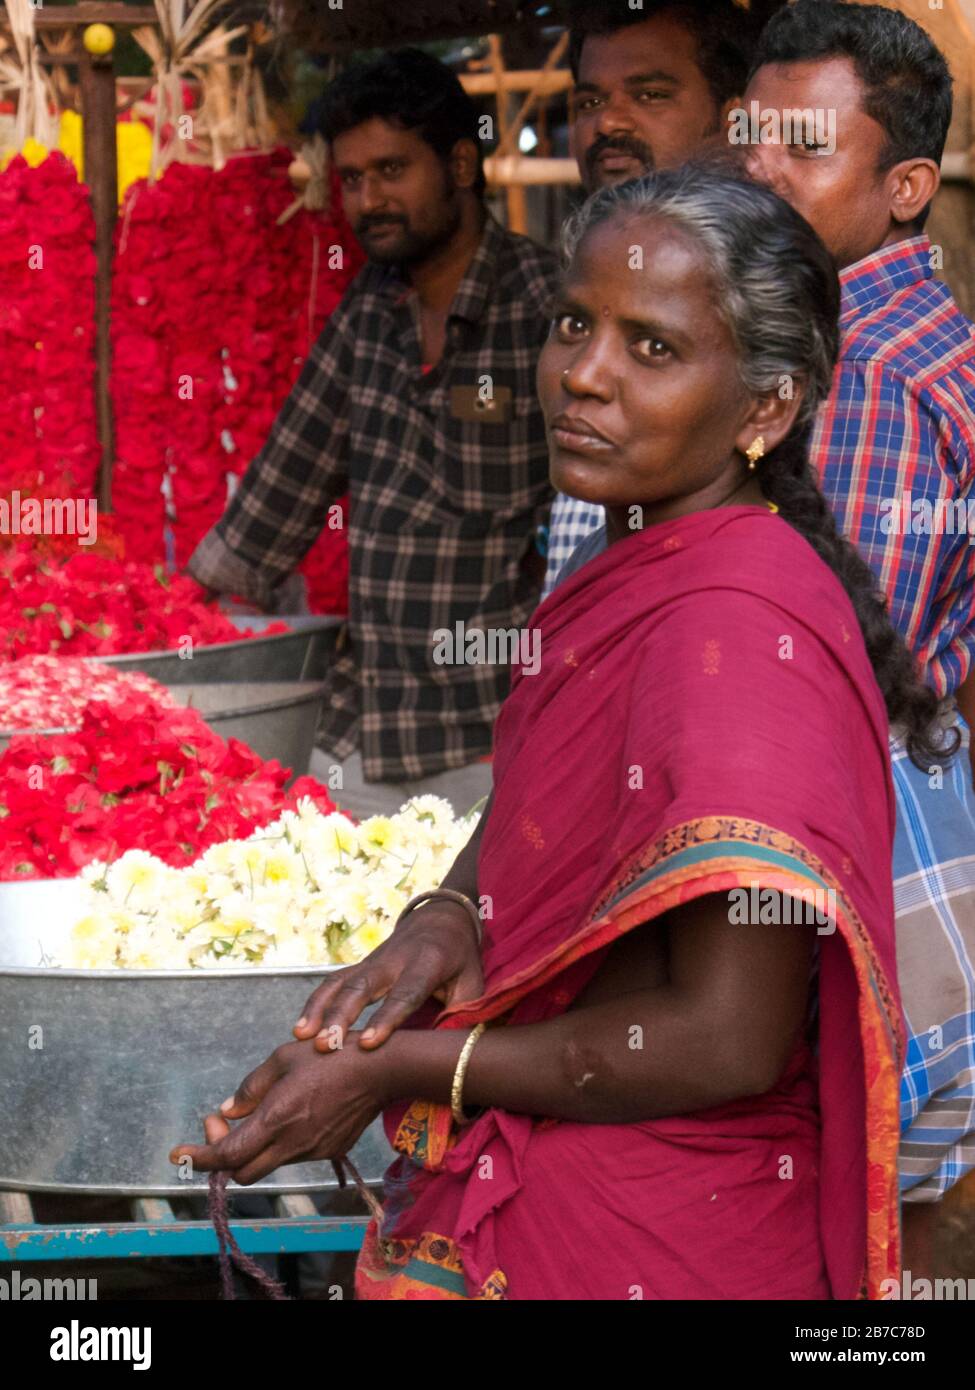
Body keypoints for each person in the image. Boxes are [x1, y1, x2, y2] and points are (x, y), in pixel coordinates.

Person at [172, 169, 952, 1300]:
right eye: (576, 325)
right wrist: (446, 910)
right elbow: (555, 786)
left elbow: (728, 1036)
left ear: (766, 408)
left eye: (652, 349)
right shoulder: (637, 553)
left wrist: (408, 1062)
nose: (582, 376)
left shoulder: (734, 628)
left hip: (662, 1236)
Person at [742, 0, 975, 1275]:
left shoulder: (866, 371)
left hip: (849, 854)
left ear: (904, 188)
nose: (762, 169)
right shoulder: (895, 338)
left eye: (804, 146)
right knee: (900, 1224)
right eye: (755, 136)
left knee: (846, 1228)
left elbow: (816, 667)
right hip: (905, 855)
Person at [187, 49, 561, 820]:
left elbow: (594, 529)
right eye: (352, 180)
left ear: (460, 163)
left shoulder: (547, 308)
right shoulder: (368, 308)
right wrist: (176, 622)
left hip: (492, 735)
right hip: (361, 727)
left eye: (391, 171)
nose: (368, 200)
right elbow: (285, 482)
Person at [541, 0, 759, 596]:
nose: (608, 122)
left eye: (650, 94)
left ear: (733, 120)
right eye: (589, 102)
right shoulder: (584, 276)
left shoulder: (768, 296)